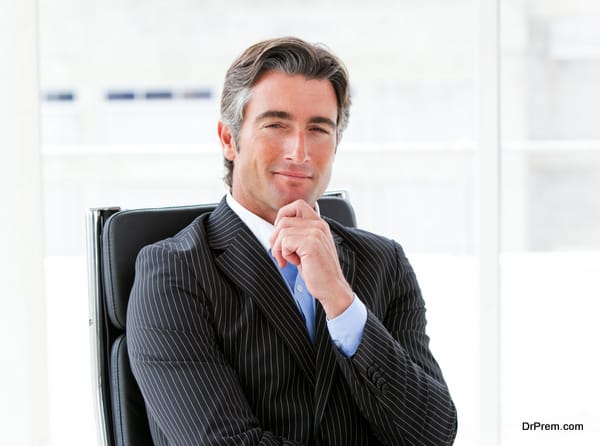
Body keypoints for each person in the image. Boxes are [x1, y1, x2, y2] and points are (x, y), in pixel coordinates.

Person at [127, 36, 457, 445]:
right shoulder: (173, 274)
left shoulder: (383, 261)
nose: (299, 151)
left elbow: (433, 435)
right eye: (276, 124)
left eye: (318, 129)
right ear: (229, 139)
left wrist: (341, 303)